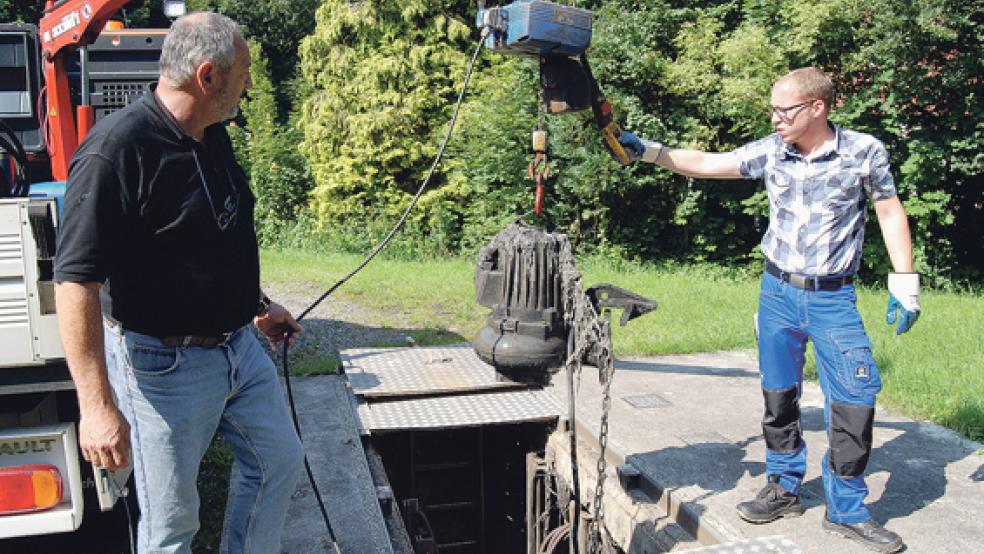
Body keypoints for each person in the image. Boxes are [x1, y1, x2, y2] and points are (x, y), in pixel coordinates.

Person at [618, 67, 919, 553]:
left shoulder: (864, 152)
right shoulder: (770, 151)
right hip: (776, 292)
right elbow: (706, 163)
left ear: (818, 108)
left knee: (855, 399)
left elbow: (889, 210)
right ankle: (783, 486)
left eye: (786, 110)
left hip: (833, 298)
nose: (776, 118)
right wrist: (649, 150)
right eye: (773, 109)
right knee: (779, 394)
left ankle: (847, 509)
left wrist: (905, 281)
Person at [53, 12, 304, 553]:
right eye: (244, 73)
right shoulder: (116, 152)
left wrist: (256, 304)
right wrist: (96, 408)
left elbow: (212, 234)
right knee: (172, 527)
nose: (250, 84)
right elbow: (75, 285)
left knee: (279, 462)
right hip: (164, 368)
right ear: (208, 76)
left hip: (241, 348)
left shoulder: (211, 134)